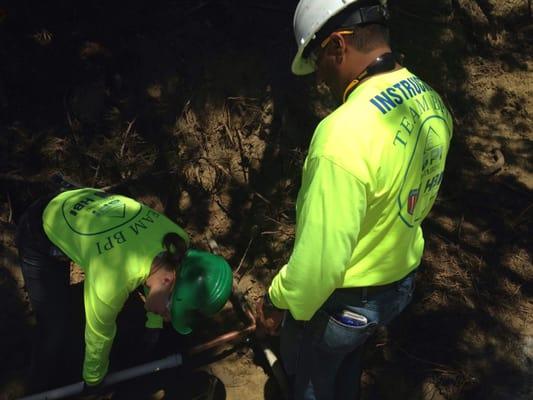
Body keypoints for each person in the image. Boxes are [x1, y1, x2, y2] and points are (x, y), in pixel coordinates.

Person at [256, 0, 453, 399]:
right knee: (345, 363)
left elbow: (319, 265)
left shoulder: (343, 134)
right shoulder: (428, 98)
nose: (319, 78)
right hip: (395, 285)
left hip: (344, 300)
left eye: (317, 61)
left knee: (310, 378)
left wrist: (276, 301)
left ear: (337, 47)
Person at [15, 186, 231, 394]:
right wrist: (93, 380)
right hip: (41, 227)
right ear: (168, 281)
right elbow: (99, 335)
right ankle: (38, 386)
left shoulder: (177, 241)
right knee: (54, 328)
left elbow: (157, 277)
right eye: (168, 311)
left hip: (85, 206)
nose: (167, 318)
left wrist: (153, 324)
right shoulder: (110, 280)